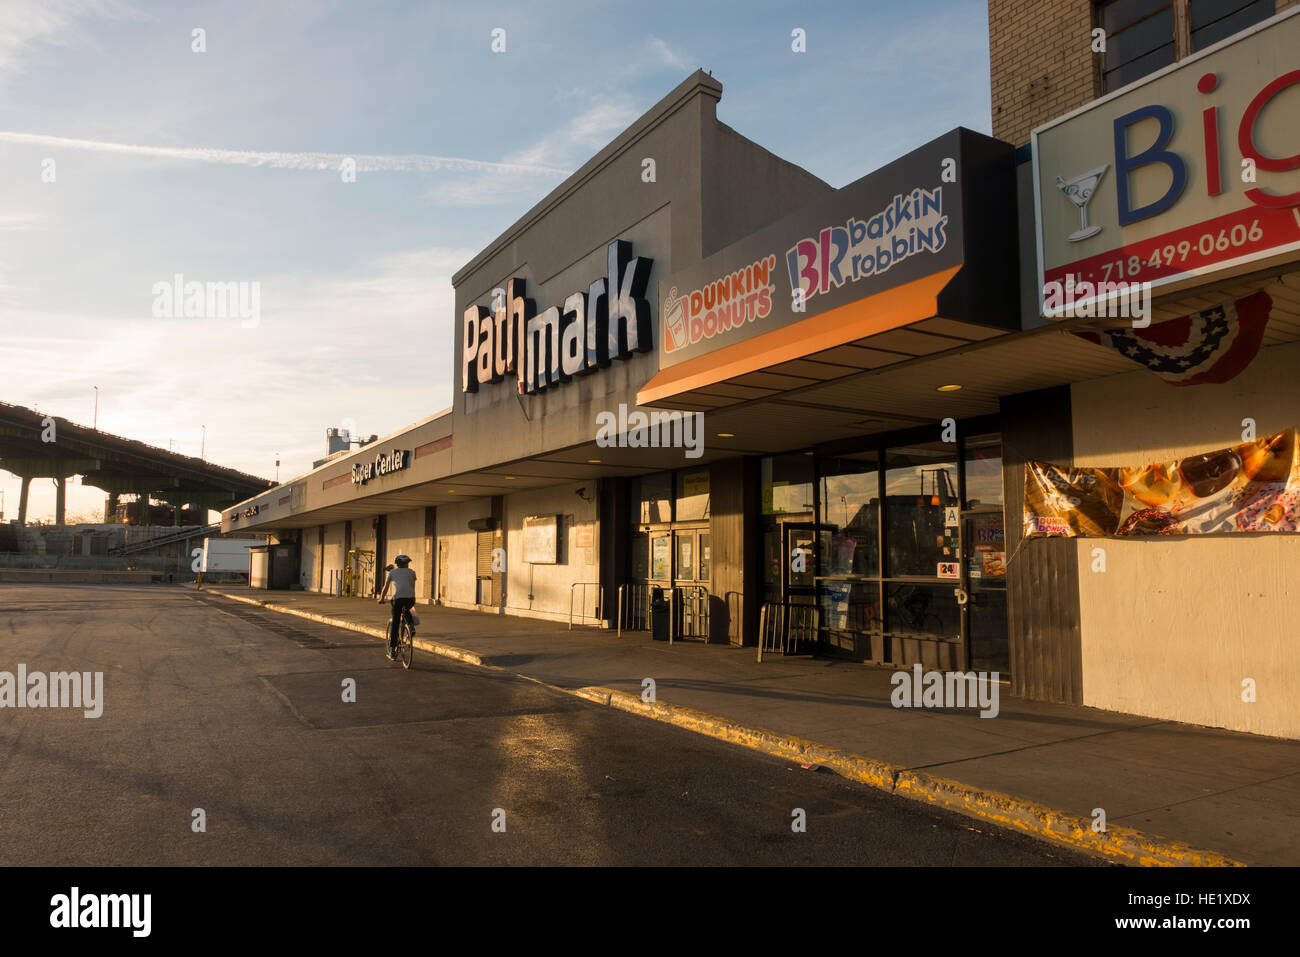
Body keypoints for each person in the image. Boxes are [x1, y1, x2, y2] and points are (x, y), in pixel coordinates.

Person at [376, 554, 417, 660]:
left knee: (395, 623)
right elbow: (412, 586)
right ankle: (411, 625)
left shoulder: (392, 572)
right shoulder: (412, 572)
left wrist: (381, 598)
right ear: (407, 564)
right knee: (407, 609)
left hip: (398, 599)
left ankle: (393, 650)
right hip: (411, 599)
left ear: (397, 564)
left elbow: (386, 587)